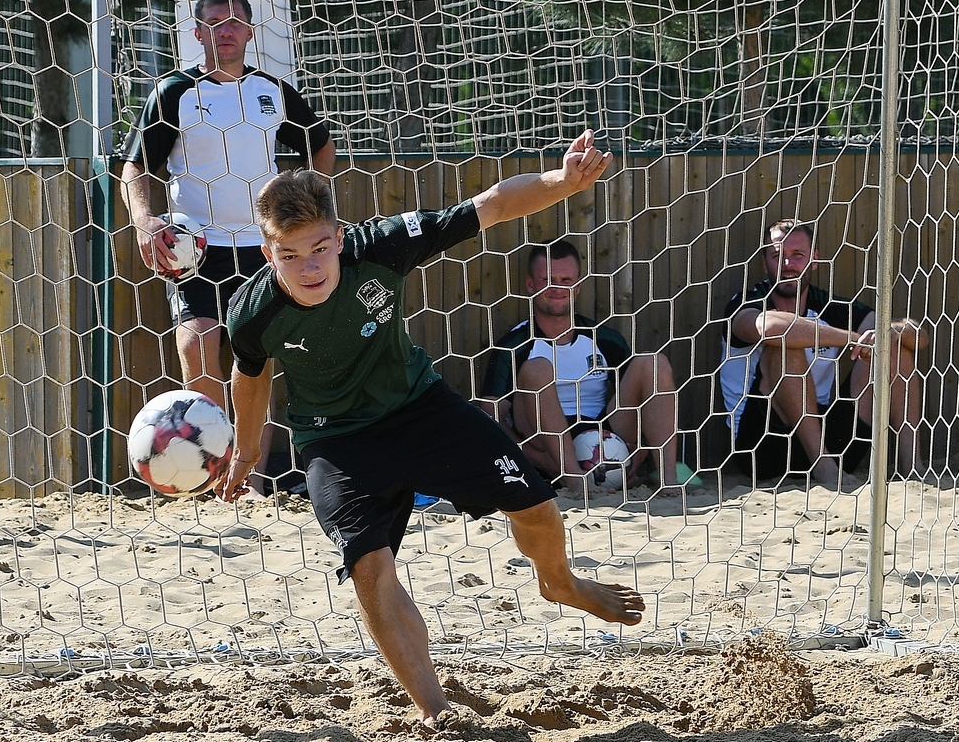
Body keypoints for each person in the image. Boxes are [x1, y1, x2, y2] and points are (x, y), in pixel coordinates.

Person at [216, 131, 645, 728]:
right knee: (369, 570)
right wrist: (244, 454)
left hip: (420, 408)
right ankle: (439, 715)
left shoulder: (382, 246)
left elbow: (491, 204)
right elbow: (250, 375)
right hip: (335, 442)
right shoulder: (253, 310)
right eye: (289, 255)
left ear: (340, 235)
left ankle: (560, 582)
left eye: (319, 248)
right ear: (268, 253)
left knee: (536, 507)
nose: (308, 267)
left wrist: (562, 182)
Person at [119, 0, 335, 494]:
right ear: (198, 33)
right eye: (215, 22)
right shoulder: (175, 91)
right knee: (196, 346)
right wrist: (144, 221)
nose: (226, 29)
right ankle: (208, 471)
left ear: (250, 32)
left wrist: (313, 206)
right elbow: (135, 166)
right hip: (194, 247)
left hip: (262, 249)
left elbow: (321, 145)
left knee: (255, 360)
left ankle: (248, 480)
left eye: (236, 21)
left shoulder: (271, 91)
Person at [720, 218, 925, 487]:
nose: (787, 264)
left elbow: (919, 336)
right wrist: (853, 339)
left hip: (834, 441)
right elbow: (770, 328)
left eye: (798, 255)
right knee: (784, 346)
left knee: (893, 347)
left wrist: (891, 333)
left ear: (814, 260)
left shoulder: (829, 306)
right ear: (764, 262)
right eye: (777, 256)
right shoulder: (747, 302)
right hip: (763, 447)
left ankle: (912, 467)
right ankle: (823, 467)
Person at [479, 239, 690, 494]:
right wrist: (537, 459)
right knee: (538, 369)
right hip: (543, 447)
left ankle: (668, 480)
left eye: (566, 280)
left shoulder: (604, 339)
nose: (557, 288)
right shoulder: (513, 346)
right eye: (547, 280)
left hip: (604, 436)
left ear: (578, 286)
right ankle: (574, 479)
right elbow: (490, 418)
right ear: (530, 285)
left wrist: (640, 450)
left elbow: (641, 402)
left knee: (653, 363)